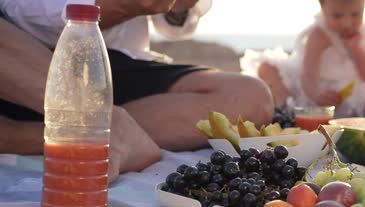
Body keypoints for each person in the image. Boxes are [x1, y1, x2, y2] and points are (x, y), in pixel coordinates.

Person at [0, 0, 274, 151]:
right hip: (27, 59)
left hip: (119, 61)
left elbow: (172, 25)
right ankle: (104, 131)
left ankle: (24, 137)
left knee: (249, 97)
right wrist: (107, 7)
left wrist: (179, 6)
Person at [0, 17, 161, 182]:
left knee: (189, 99)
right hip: (57, 47)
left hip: (116, 57)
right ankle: (99, 131)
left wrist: (176, 14)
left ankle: (102, 132)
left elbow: (171, 25)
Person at [240, 0, 365, 118]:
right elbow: (308, 74)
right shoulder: (319, 35)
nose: (346, 22)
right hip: (316, 88)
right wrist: (316, 95)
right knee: (266, 68)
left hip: (351, 92)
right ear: (323, 9)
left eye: (355, 14)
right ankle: (287, 112)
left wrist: (358, 51)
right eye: (337, 16)